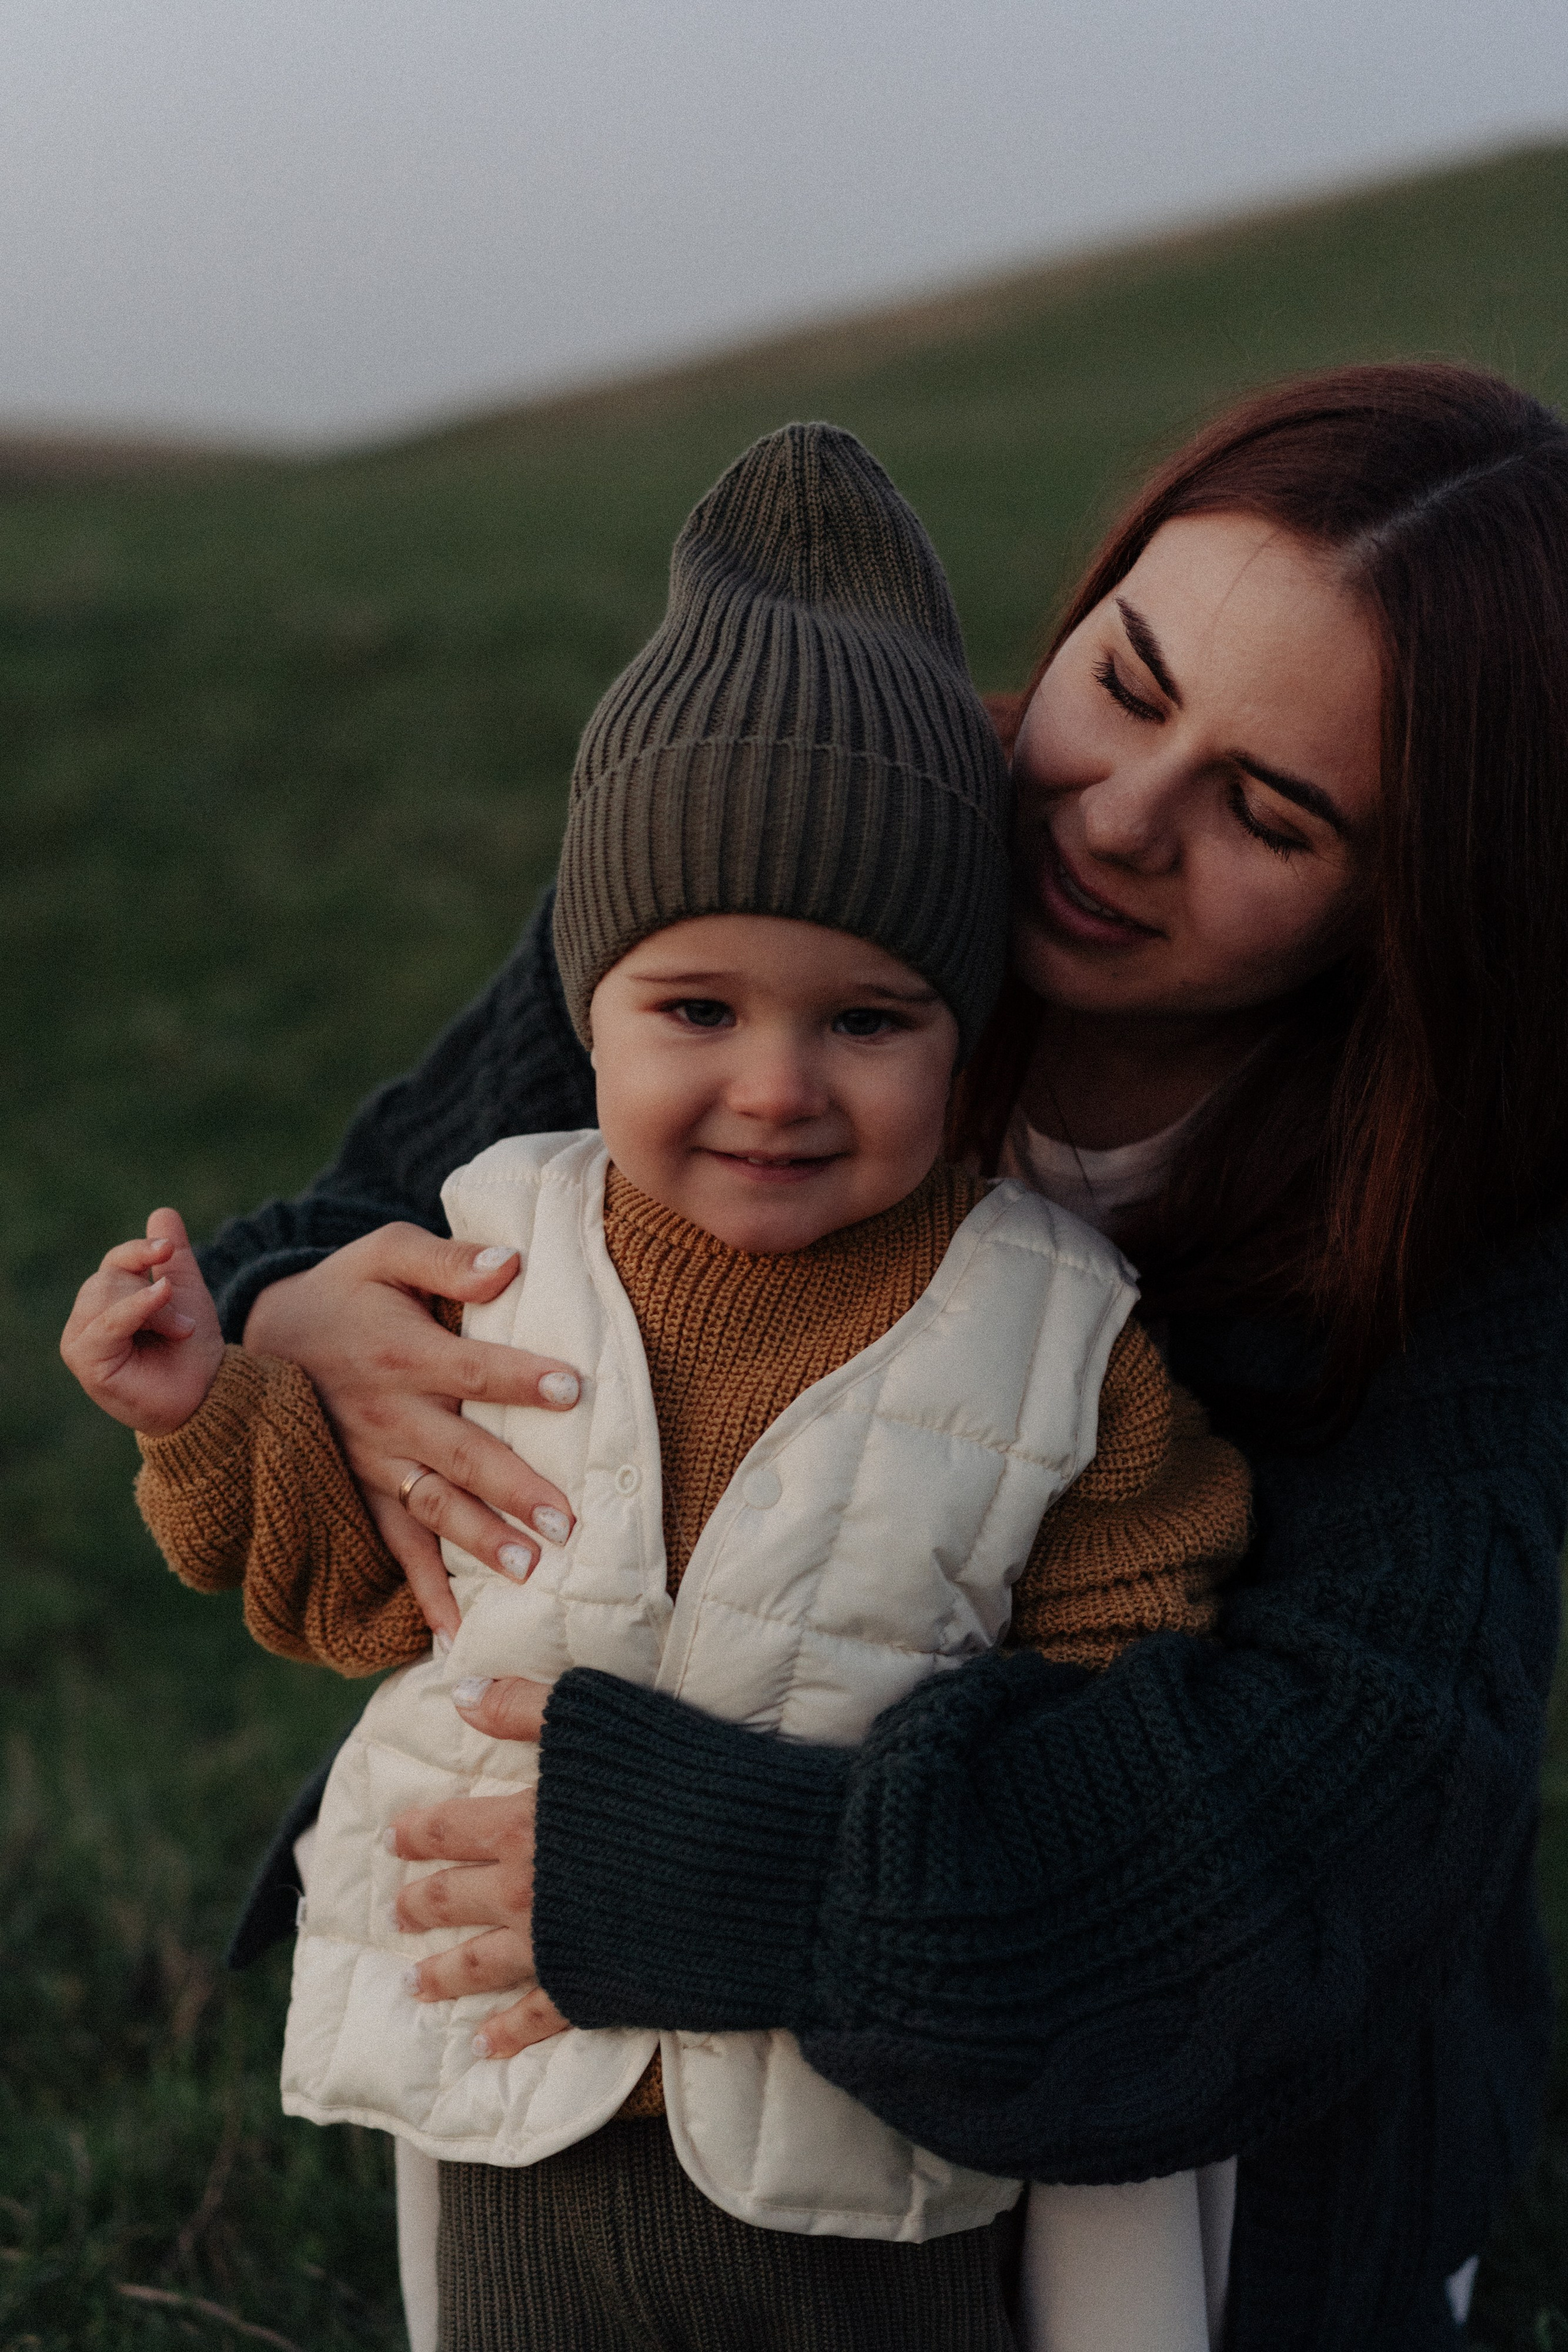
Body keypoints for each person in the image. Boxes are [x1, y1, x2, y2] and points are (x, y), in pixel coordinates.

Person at [131, 365, 1568, 2346]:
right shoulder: (798, 854)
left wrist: (763, 1874)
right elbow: (357, 1214)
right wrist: (301, 1313)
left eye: (1271, 811)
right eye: (1130, 685)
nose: (1117, 821)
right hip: (586, 2043)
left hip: (1170, 2106)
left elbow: (1348, 1805)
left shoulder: (1462, 1208)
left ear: (1424, 906)